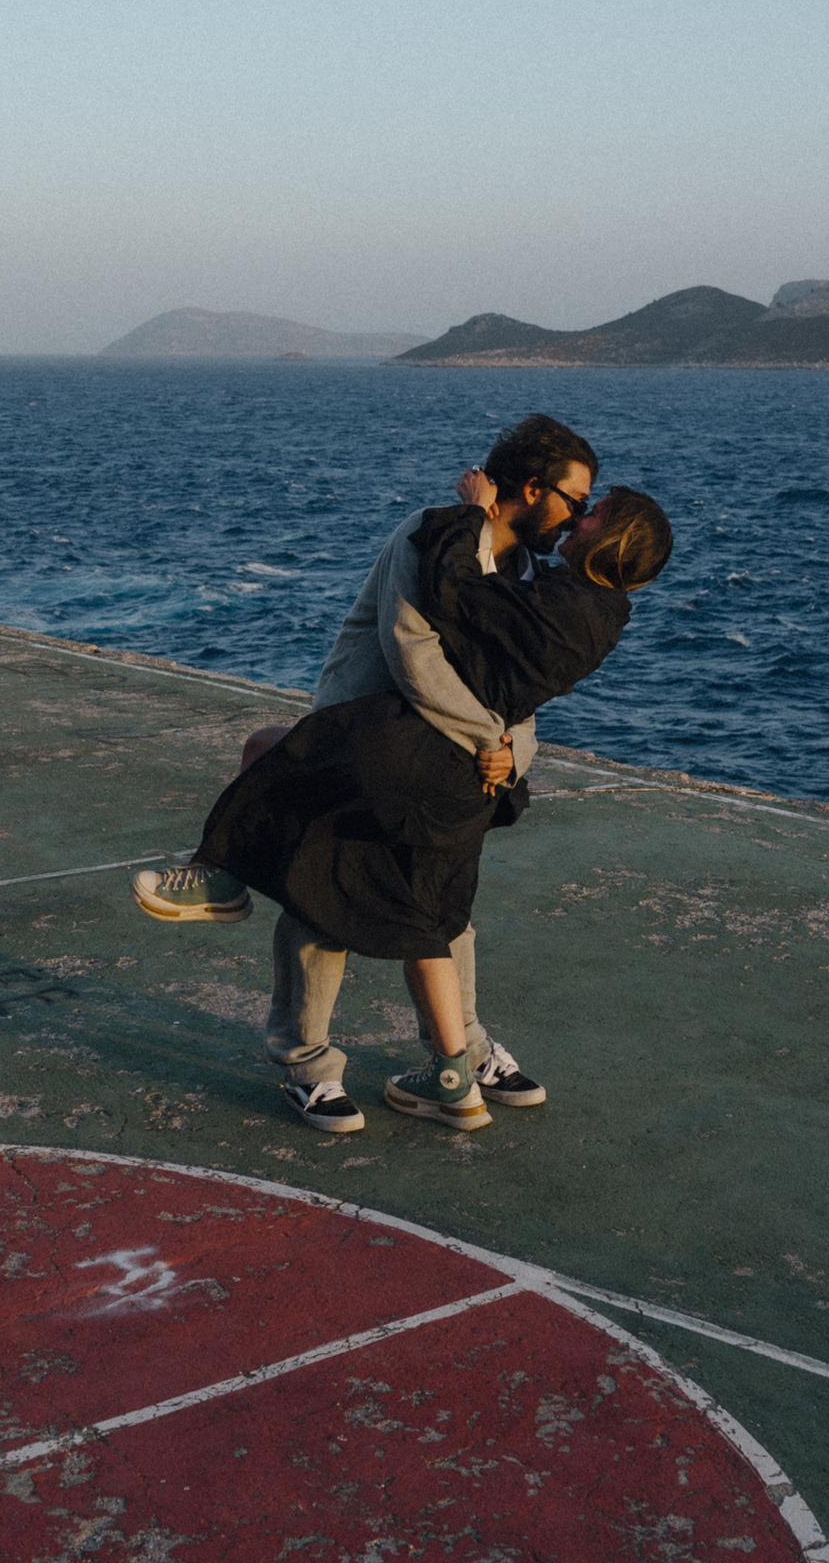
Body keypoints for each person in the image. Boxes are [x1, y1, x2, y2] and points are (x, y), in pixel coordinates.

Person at [132, 414, 597, 1133]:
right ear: (532, 489)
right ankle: (306, 1065)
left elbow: (521, 683)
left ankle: (462, 1055)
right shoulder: (427, 535)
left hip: (447, 760)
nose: (581, 520)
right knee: (325, 904)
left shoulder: (526, 574)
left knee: (445, 911)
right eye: (576, 501)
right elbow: (411, 654)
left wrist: (515, 752)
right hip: (363, 743)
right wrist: (486, 739)